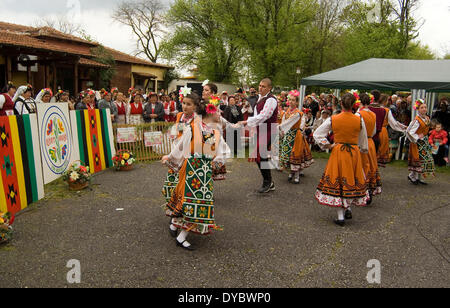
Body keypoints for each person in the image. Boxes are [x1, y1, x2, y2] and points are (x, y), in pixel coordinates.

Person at [161, 93, 230, 251]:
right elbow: (181, 146)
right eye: (217, 112)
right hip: (191, 169)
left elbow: (219, 151)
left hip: (204, 173)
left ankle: (179, 232)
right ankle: (179, 232)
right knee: (190, 203)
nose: (220, 114)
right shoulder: (193, 128)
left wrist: (215, 162)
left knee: (199, 205)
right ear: (210, 114)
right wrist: (170, 157)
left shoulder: (213, 132)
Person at [314, 93, 369, 227]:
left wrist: (328, 145)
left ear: (341, 104)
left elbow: (317, 134)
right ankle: (348, 208)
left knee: (338, 182)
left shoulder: (334, 119)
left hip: (339, 152)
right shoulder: (359, 120)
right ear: (354, 105)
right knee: (350, 179)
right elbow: (363, 140)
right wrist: (362, 149)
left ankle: (341, 216)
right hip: (353, 153)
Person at [238, 78, 278, 194]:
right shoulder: (260, 98)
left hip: (270, 129)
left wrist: (246, 122)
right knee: (258, 156)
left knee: (261, 154)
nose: (260, 88)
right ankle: (268, 182)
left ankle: (268, 182)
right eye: (260, 86)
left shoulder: (271, 100)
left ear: (269, 88)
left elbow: (264, 115)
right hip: (261, 130)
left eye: (263, 86)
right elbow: (257, 116)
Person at [279, 90, 314, 184]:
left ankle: (297, 175)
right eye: (290, 100)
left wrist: (301, 131)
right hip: (288, 135)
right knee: (289, 155)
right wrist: (281, 132)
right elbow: (283, 122)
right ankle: (291, 173)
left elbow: (300, 124)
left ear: (297, 102)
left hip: (296, 136)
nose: (291, 102)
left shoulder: (298, 113)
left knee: (296, 154)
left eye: (293, 100)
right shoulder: (286, 112)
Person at [369, 91, 407, 167]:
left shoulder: (369, 108)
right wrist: (403, 129)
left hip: (370, 131)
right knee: (379, 153)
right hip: (382, 131)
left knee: (371, 154)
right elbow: (393, 123)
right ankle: (375, 173)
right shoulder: (386, 110)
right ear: (385, 101)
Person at [357, 93, 382, 203]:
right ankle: (370, 189)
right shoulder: (373, 114)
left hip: (362, 142)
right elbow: (374, 130)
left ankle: (364, 190)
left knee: (363, 165)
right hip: (370, 141)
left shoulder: (359, 114)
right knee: (371, 164)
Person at [407, 100, 435, 185]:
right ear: (418, 109)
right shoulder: (416, 120)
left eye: (425, 107)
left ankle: (418, 177)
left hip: (424, 142)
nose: (424, 109)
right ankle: (413, 176)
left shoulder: (427, 118)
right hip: (417, 143)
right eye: (422, 107)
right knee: (417, 160)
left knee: (423, 160)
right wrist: (417, 137)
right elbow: (409, 131)